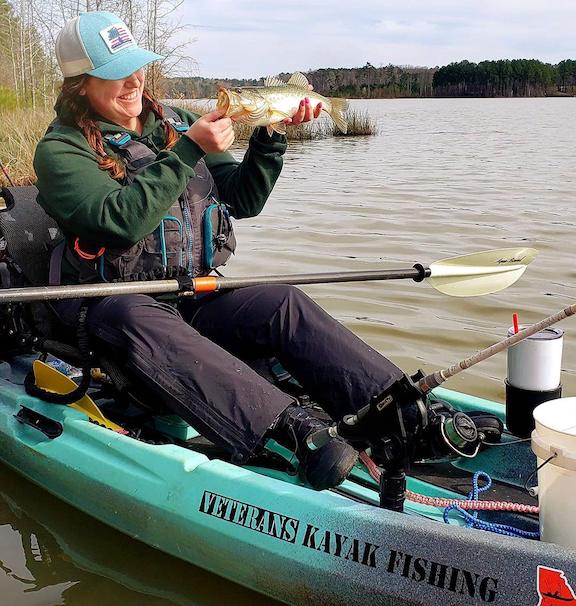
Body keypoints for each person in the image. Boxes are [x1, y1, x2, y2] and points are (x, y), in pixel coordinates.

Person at [34, 11, 408, 491]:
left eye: (137, 66)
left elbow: (243, 198)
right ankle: (289, 434)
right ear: (80, 84)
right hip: (114, 312)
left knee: (280, 300)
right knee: (132, 314)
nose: (133, 81)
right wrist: (187, 150)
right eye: (113, 72)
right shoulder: (60, 151)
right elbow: (120, 221)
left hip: (192, 295)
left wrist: (272, 136)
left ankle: (397, 409)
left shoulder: (175, 123)